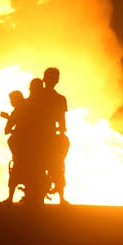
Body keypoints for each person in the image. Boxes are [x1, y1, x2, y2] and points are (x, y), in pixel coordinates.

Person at [42, 67, 69, 204]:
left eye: (55, 77)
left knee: (57, 165)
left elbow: (62, 119)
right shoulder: (38, 96)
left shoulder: (59, 99)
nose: (53, 80)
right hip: (39, 136)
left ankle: (61, 197)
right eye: (51, 77)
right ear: (45, 78)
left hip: (50, 136)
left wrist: (61, 132)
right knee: (54, 165)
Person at [4, 90, 27, 203]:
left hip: (21, 145)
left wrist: (10, 121)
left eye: (12, 100)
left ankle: (10, 198)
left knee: (17, 167)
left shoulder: (17, 110)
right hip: (32, 145)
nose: (11, 102)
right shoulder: (29, 107)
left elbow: (7, 129)